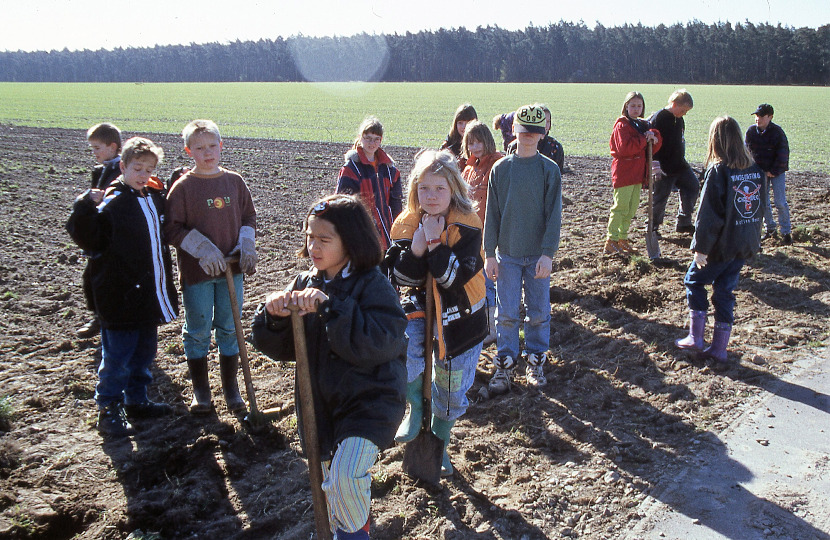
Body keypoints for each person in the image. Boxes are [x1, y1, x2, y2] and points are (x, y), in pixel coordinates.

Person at [251, 194, 407, 539]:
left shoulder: (373, 284)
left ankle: (353, 535)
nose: (313, 246)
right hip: (320, 406)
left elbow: (382, 341)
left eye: (324, 239)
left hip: (371, 402)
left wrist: (331, 308)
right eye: (310, 237)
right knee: (329, 484)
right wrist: (274, 317)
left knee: (345, 476)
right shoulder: (306, 283)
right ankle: (346, 528)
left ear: (350, 241)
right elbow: (285, 348)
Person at [66, 137, 178, 437]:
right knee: (116, 357)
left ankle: (136, 400)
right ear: (123, 166)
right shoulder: (113, 203)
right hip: (120, 297)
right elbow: (87, 237)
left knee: (144, 353)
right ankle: (108, 408)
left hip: (147, 296)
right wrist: (84, 206)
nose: (143, 174)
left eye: (149, 169)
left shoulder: (152, 198)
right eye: (137, 168)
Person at [387, 149, 488, 477]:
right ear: (414, 189)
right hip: (419, 306)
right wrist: (416, 247)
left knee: (449, 388)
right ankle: (415, 408)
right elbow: (401, 277)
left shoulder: (468, 226)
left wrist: (433, 243)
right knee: (402, 351)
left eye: (439, 189)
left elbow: (452, 280)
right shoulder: (405, 223)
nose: (431, 196)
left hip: (462, 319)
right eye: (424, 189)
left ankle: (440, 447)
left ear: (454, 189)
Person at [164, 119, 257, 415]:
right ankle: (201, 393)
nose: (207, 153)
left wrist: (246, 243)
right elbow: (172, 229)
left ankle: (231, 390)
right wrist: (201, 248)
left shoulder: (234, 182)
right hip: (198, 274)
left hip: (232, 272)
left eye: (212, 146)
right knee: (199, 329)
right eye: (200, 148)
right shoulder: (183, 188)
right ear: (188, 151)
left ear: (221, 145)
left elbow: (248, 217)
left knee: (230, 328)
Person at [484, 104, 562, 394]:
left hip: (537, 257)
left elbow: (554, 215)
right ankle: (504, 362)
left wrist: (547, 254)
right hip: (508, 256)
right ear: (513, 130)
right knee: (505, 312)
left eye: (535, 131)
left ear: (543, 134)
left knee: (539, 310)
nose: (528, 136)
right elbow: (491, 214)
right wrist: (490, 254)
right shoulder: (501, 169)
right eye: (523, 130)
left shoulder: (548, 170)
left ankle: (536, 358)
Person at [675, 116, 766, 362]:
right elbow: (760, 208)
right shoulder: (755, 170)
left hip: (721, 246)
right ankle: (719, 348)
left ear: (715, 140)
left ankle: (696, 338)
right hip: (744, 244)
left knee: (693, 281)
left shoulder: (718, 171)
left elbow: (708, 215)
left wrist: (700, 248)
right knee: (725, 291)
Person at [77, 122, 123, 339]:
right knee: (91, 278)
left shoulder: (122, 170)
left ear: (112, 146)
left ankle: (110, 319)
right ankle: (99, 316)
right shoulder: (100, 171)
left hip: (114, 236)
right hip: (99, 235)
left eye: (97, 148)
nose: (94, 153)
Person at [460, 120, 503, 345]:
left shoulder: (498, 164)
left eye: (478, 142)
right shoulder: (469, 169)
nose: (475, 147)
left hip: (490, 235)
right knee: (476, 280)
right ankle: (481, 324)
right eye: (471, 143)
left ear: (487, 141)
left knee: (490, 281)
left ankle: (493, 327)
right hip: (472, 235)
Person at [606, 91, 663, 254]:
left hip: (638, 174)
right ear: (626, 107)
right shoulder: (622, 125)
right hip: (624, 172)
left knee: (631, 209)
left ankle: (623, 238)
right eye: (633, 105)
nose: (636, 109)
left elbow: (651, 148)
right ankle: (611, 239)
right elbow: (624, 148)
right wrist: (644, 139)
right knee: (620, 207)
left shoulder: (642, 125)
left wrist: (654, 137)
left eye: (639, 106)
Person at [336, 116, 402, 252]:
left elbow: (396, 205)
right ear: (360, 137)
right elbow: (343, 205)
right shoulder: (351, 169)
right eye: (368, 138)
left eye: (376, 139)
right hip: (362, 236)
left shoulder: (391, 171)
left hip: (388, 235)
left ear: (381, 140)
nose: (372, 143)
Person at [649, 89, 699, 236]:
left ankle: (684, 222)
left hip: (680, 165)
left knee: (692, 186)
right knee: (660, 197)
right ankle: (652, 226)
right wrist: (655, 165)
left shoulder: (680, 120)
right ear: (674, 104)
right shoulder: (660, 118)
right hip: (663, 166)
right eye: (683, 110)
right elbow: (652, 144)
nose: (684, 114)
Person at [745, 103, 792, 245]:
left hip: (776, 173)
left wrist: (773, 171)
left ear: (770, 117)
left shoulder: (777, 132)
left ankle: (786, 232)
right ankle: (770, 229)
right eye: (756, 116)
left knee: (780, 202)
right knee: (762, 202)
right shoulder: (751, 132)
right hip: (759, 173)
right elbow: (747, 152)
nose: (757, 119)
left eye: (761, 116)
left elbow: (783, 154)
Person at [506, 104, 565, 172]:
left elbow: (557, 175)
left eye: (548, 122)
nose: (545, 125)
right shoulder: (514, 146)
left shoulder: (555, 147)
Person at [439, 103, 478, 170]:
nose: (464, 127)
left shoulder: (480, 143)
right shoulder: (448, 144)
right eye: (460, 123)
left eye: (467, 123)